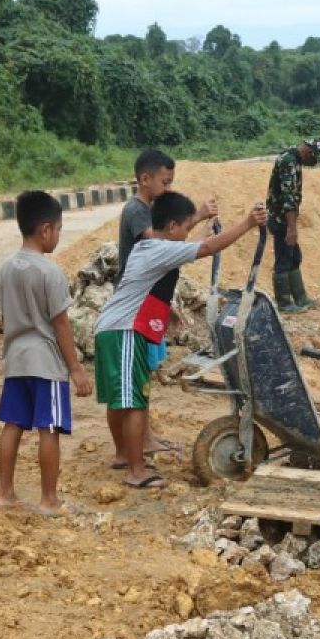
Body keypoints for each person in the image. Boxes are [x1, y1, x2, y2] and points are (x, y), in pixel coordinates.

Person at [95, 193, 267, 489]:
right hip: (124, 331)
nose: (188, 233)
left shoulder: (151, 247)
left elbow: (187, 248)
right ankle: (136, 471)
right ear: (173, 226)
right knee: (134, 401)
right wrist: (248, 223)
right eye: (186, 228)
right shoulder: (156, 249)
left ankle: (124, 454)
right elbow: (208, 248)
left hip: (113, 329)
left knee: (120, 398)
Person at [0, 191, 93, 515]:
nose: (59, 237)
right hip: (46, 362)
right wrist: (75, 368)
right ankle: (48, 499)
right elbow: (61, 324)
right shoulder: (50, 273)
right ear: (46, 229)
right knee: (48, 428)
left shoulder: (7, 267)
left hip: (15, 359)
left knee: (12, 424)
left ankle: (4, 493)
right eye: (59, 230)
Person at [115, 149, 216, 463]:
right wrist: (196, 217)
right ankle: (139, 443)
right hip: (137, 306)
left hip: (151, 301)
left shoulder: (149, 208)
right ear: (145, 179)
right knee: (139, 377)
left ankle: (146, 436)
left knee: (144, 376)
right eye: (164, 182)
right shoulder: (137, 211)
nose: (168, 188)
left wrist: (166, 303)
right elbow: (162, 243)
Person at [266, 137, 320, 314]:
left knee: (294, 257)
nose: (313, 163)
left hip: (284, 218)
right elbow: (288, 198)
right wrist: (291, 228)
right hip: (281, 220)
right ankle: (284, 303)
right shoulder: (289, 162)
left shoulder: (294, 158)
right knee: (284, 259)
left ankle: (300, 298)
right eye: (314, 159)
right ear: (308, 152)